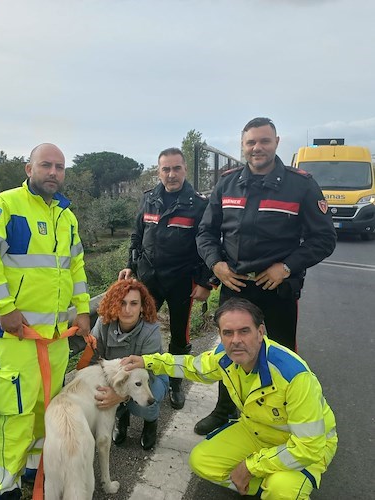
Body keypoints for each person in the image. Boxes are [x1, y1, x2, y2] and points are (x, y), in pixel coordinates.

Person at [194, 117, 336, 435]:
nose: (257, 147)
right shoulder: (227, 183)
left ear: (276, 142)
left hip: (277, 287)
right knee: (231, 348)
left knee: (280, 353)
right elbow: (206, 232)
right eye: (251, 142)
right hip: (236, 284)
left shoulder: (301, 184)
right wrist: (216, 264)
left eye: (264, 141)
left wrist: (285, 267)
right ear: (243, 146)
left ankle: (285, 415)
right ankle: (225, 409)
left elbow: (324, 239)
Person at [0, 143, 90, 500]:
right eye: (46, 165)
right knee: (16, 411)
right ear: (29, 168)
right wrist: (5, 307)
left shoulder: (66, 216)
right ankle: (4, 486)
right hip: (17, 334)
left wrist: (82, 309)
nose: (54, 172)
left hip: (55, 335)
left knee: (46, 409)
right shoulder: (4, 205)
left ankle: (36, 471)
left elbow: (76, 267)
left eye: (59, 167)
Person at [122, 297, 338, 499]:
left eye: (244, 331)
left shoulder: (293, 375)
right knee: (201, 461)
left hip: (304, 444)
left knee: (282, 488)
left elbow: (309, 446)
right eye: (228, 333)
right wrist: (147, 362)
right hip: (255, 431)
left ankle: (276, 485)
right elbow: (192, 367)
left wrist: (250, 467)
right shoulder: (224, 358)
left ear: (260, 332)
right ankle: (264, 485)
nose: (236, 341)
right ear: (221, 335)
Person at [118, 147, 212, 410]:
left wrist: (206, 282)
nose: (171, 174)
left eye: (176, 168)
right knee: (140, 332)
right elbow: (137, 236)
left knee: (179, 337)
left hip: (182, 282)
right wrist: (129, 267)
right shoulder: (149, 199)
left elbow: (209, 243)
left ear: (185, 169)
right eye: (166, 169)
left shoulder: (199, 204)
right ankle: (138, 380)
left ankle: (175, 382)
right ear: (159, 171)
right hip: (149, 281)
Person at [88, 279, 169, 450]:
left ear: (142, 307)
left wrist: (119, 396)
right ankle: (121, 417)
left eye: (134, 303)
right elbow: (94, 357)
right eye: (122, 303)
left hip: (149, 377)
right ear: (114, 304)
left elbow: (151, 372)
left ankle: (150, 422)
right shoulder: (103, 323)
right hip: (115, 376)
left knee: (147, 399)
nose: (127, 309)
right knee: (100, 395)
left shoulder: (151, 331)